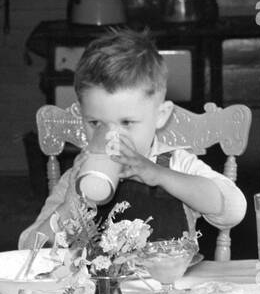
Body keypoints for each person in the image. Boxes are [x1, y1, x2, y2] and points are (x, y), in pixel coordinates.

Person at [19, 29, 246, 248]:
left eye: (126, 122)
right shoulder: (77, 177)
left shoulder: (176, 163)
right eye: (96, 123)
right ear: (82, 116)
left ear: (161, 116)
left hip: (165, 285)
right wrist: (70, 206)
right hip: (98, 287)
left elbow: (234, 210)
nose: (111, 137)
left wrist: (159, 175)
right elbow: (29, 248)